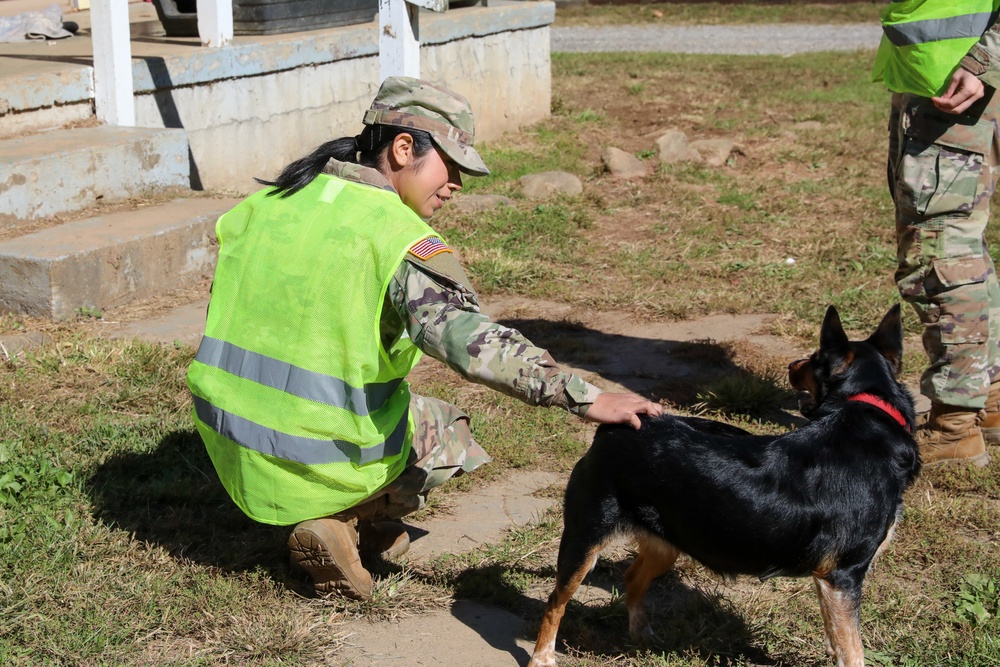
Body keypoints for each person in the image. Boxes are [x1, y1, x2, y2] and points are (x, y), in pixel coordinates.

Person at [185, 77, 663, 600]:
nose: (457, 183)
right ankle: (345, 517)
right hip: (317, 451)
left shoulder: (269, 204)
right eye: (451, 165)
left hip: (228, 440)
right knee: (450, 432)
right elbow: (472, 343)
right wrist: (587, 396)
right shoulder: (398, 238)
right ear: (404, 147)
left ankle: (346, 517)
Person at [873, 2, 1000, 467]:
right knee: (962, 242)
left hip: (961, 82)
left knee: (940, 248)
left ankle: (954, 427)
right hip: (945, 82)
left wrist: (981, 61)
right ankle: (988, 401)